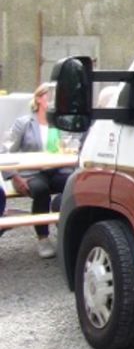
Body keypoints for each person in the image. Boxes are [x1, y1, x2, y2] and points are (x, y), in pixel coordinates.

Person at [1, 82, 75, 257]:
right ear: (39, 99)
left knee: (74, 185)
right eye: (50, 96)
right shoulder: (24, 123)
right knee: (41, 190)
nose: (54, 100)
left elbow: (71, 145)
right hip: (31, 173)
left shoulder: (59, 123)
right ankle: (43, 238)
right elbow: (5, 150)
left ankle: (68, 231)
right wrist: (14, 177)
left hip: (57, 170)